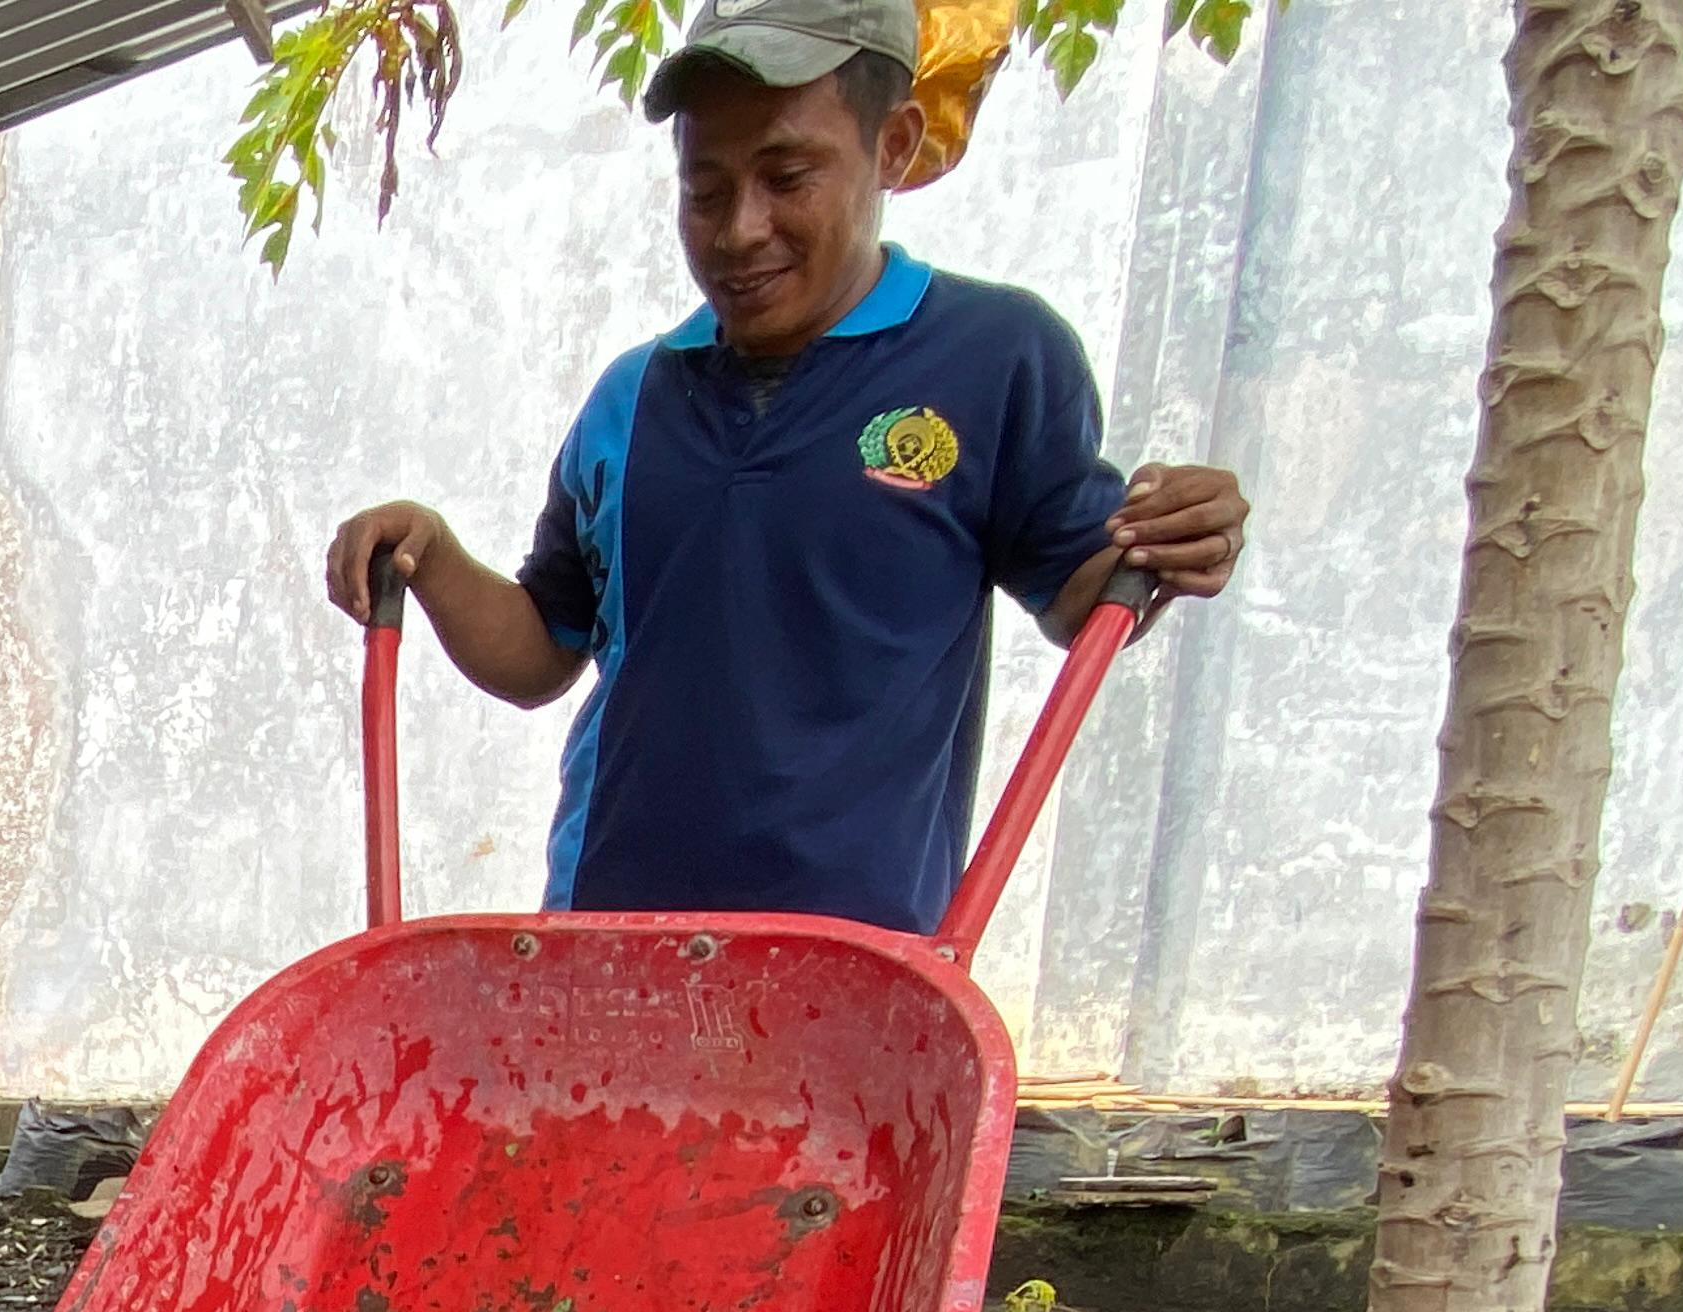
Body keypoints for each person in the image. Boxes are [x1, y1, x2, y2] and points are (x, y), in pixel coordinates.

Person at [324, 0, 1250, 936]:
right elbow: (542, 650)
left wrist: (1169, 542)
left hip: (855, 971)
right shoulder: (631, 398)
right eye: (705, 188)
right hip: (609, 944)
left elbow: (1082, 593)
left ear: (894, 147)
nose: (738, 230)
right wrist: (433, 559)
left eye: (787, 176)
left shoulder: (995, 359)